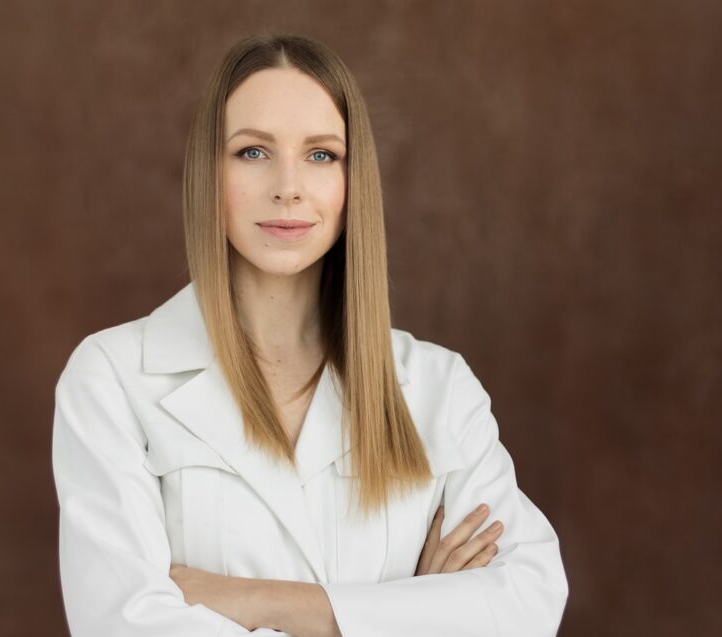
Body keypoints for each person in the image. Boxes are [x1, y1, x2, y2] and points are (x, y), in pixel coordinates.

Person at [52, 32, 568, 637]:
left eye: (321, 155)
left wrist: (264, 602)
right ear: (207, 172)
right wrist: (413, 610)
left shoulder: (438, 386)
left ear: (354, 181)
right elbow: (123, 626)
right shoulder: (111, 378)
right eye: (252, 152)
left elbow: (527, 603)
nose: (288, 186)